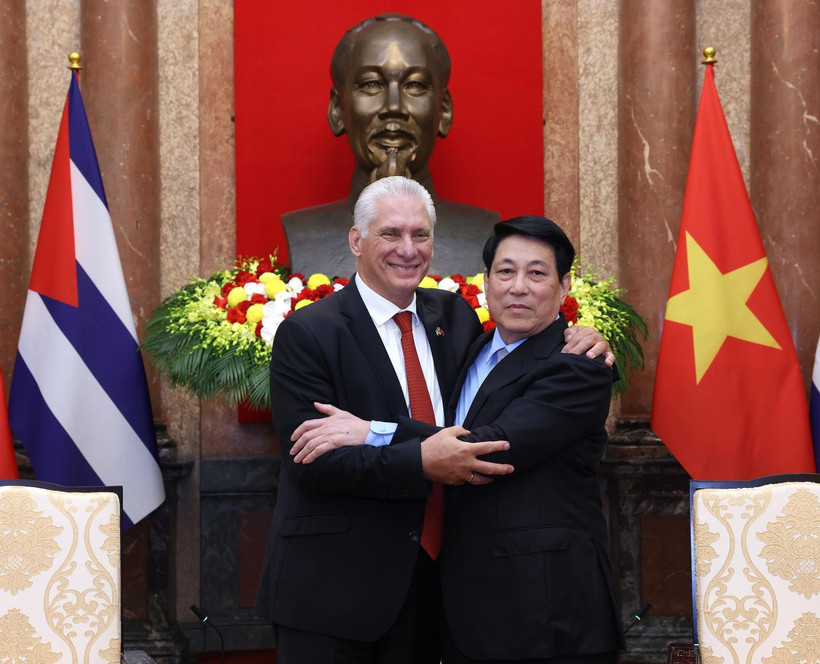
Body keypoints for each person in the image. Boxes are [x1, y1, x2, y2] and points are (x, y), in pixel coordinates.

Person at [256, 177, 612, 664]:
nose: (408, 249)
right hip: (332, 595)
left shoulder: (455, 319)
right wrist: (423, 460)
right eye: (391, 234)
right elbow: (311, 461)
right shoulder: (307, 332)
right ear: (356, 241)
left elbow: (492, 427)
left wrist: (374, 433)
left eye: (420, 235)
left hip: (441, 594)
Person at [282, 13, 499, 277]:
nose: (394, 107)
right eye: (372, 85)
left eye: (415, 85)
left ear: (443, 111)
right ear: (338, 109)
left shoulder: (484, 232)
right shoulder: (303, 233)